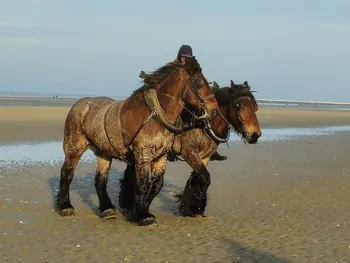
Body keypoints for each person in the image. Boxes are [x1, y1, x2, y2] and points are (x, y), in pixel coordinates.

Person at [166, 45, 227, 162]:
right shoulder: (171, 66)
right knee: (173, 121)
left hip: (189, 98)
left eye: (187, 57)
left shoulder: (191, 69)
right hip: (174, 100)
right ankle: (170, 149)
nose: (185, 59)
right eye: (183, 56)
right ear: (179, 55)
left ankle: (212, 149)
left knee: (205, 115)